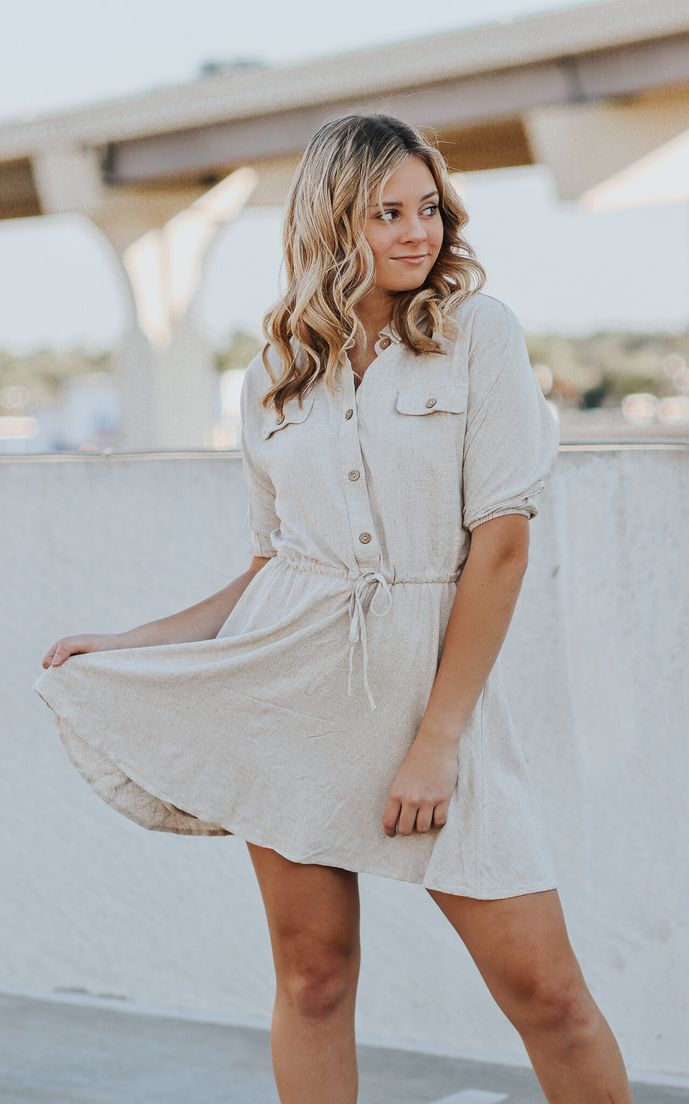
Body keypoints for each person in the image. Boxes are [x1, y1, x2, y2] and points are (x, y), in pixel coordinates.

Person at [32, 112, 632, 1103]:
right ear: (328, 223)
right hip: (293, 691)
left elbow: (503, 546)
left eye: (427, 207)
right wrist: (137, 641)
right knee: (313, 980)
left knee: (546, 993)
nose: (415, 232)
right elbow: (274, 563)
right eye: (384, 213)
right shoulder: (275, 368)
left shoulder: (477, 333)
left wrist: (437, 740)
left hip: (437, 702)